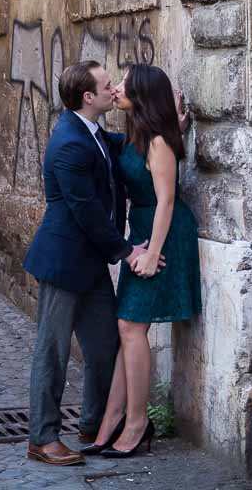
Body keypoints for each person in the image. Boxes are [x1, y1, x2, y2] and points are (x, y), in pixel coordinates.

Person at [23, 61, 163, 467]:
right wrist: (127, 251)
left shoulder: (93, 131)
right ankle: (42, 437)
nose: (113, 89)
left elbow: (123, 147)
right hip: (63, 263)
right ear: (88, 97)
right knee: (53, 352)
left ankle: (92, 423)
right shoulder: (69, 142)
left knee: (105, 347)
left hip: (90, 266)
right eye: (107, 85)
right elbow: (86, 211)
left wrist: (167, 129)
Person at [82, 63, 202, 459]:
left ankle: (135, 423)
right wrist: (176, 131)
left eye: (123, 84)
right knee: (128, 328)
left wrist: (152, 254)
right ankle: (113, 420)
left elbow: (167, 198)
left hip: (163, 235)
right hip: (143, 232)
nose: (115, 88)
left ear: (142, 95)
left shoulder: (158, 143)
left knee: (130, 326)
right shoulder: (141, 134)